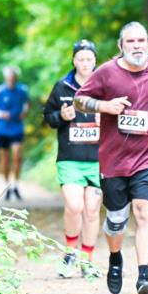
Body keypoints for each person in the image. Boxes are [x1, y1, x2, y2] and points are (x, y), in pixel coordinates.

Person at [74, 22, 148, 294]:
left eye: (142, 40)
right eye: (131, 41)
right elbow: (79, 100)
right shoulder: (107, 73)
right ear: (121, 46)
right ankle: (115, 257)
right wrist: (104, 106)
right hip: (114, 161)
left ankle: (144, 277)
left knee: (145, 212)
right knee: (116, 221)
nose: (137, 45)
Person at [43, 39, 103, 279]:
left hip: (99, 158)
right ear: (74, 60)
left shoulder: (105, 85)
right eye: (81, 59)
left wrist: (105, 120)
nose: (85, 63)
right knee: (74, 206)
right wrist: (61, 115)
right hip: (70, 158)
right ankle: (70, 253)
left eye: (89, 59)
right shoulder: (62, 87)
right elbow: (47, 117)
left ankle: (87, 260)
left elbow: (121, 113)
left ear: (95, 61)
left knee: (91, 210)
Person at [0, 66, 30, 201]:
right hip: (2, 129)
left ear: (16, 79)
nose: (11, 82)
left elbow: (27, 103)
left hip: (17, 128)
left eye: (13, 79)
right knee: (5, 159)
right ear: (5, 79)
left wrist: (24, 112)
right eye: (8, 79)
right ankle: (6, 186)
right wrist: (2, 114)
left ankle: (16, 185)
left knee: (17, 155)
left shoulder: (22, 90)